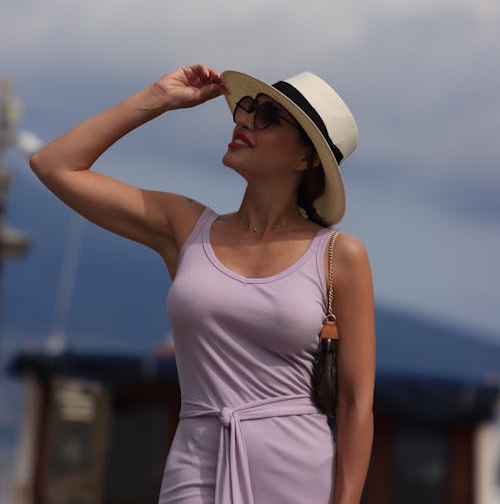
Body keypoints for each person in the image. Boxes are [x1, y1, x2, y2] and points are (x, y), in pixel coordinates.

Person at [30, 64, 375, 504]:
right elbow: (54, 165)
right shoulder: (185, 227)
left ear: (307, 158)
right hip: (196, 466)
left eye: (268, 116)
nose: (245, 119)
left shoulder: (339, 256)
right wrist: (157, 99)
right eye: (247, 107)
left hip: (298, 473)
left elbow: (355, 402)